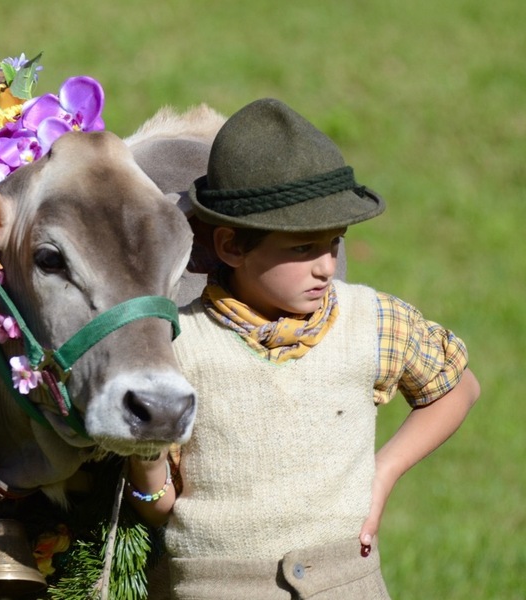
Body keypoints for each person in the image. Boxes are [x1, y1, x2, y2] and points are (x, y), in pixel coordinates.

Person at [126, 98, 480, 599]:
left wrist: (383, 473)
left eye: (333, 243)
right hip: (210, 588)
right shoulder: (180, 344)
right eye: (301, 249)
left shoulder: (372, 321)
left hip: (347, 586)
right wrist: (146, 465)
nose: (326, 267)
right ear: (230, 246)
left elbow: (456, 387)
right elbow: (161, 505)